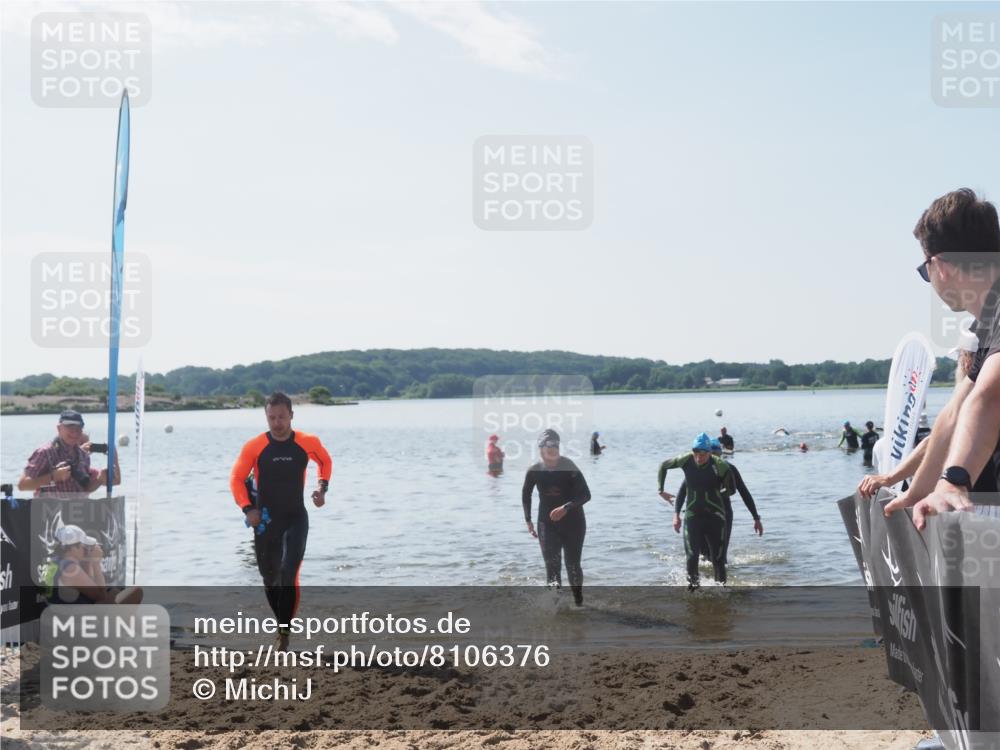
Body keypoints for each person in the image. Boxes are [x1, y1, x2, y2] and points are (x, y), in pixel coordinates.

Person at [884, 188, 1000, 528]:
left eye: (925, 271)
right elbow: (953, 415)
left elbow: (990, 397)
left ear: (940, 266)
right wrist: (916, 492)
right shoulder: (984, 324)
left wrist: (953, 481)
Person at [230, 392, 333, 649]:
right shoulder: (254, 446)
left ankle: (284, 633)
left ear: (291, 416)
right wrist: (247, 509)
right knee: (270, 578)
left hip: (296, 516)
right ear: (266, 416)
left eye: (282, 417)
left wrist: (322, 489)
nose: (277, 423)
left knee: (288, 573)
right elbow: (235, 479)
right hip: (265, 521)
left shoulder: (307, 442)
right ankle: (281, 624)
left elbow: (325, 461)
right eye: (272, 417)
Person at [521, 429, 591, 606]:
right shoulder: (534, 470)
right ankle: (555, 607)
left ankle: (579, 604)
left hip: (573, 523)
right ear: (540, 449)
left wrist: (566, 507)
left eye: (555, 446)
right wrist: (528, 520)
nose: (552, 450)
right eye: (547, 447)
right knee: (552, 567)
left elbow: (585, 495)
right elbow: (526, 494)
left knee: (572, 565)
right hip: (547, 524)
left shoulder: (569, 466)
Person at [659, 433, 731, 590]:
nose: (698, 457)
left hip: (715, 519)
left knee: (718, 559)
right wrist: (661, 491)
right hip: (693, 517)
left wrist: (721, 490)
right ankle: (693, 591)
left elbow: (731, 490)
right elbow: (664, 466)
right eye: (695, 453)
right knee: (692, 557)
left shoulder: (720, 465)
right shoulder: (686, 461)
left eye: (702, 454)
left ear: (709, 452)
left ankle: (722, 594)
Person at [18, 410, 120, 497]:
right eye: (70, 427)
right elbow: (22, 485)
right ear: (59, 428)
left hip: (76, 514)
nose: (75, 432)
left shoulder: (83, 456)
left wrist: (99, 480)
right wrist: (53, 477)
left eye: (78, 428)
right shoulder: (45, 452)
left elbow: (83, 490)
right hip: (49, 515)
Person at [41, 525, 142, 605]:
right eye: (84, 546)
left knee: (114, 592)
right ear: (72, 548)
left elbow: (90, 588)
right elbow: (100, 596)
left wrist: (88, 561)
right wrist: (96, 563)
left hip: (60, 613)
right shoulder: (71, 569)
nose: (86, 549)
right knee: (135, 592)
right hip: (74, 621)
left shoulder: (56, 562)